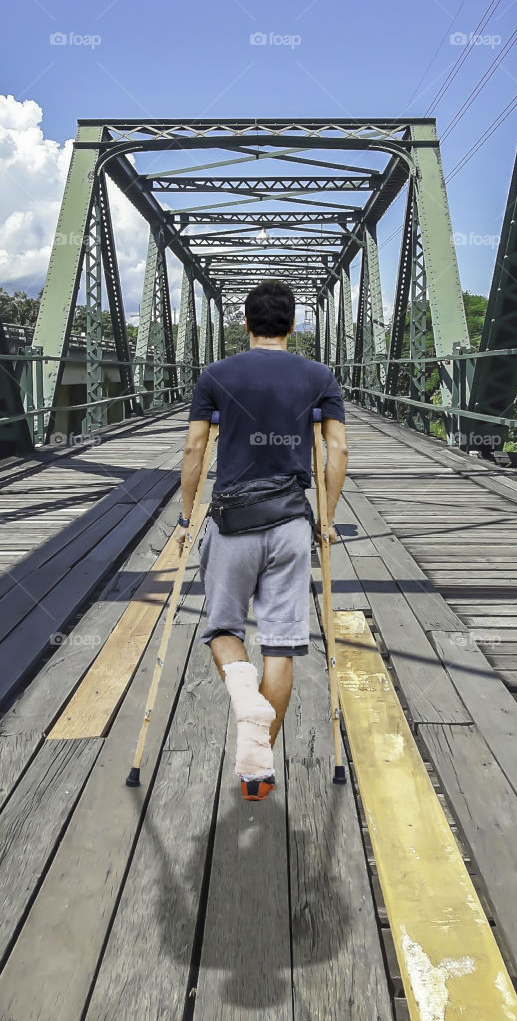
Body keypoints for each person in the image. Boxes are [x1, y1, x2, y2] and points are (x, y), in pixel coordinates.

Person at [175, 279, 348, 801]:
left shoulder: (215, 376)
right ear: (294, 325)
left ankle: (242, 695)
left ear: (246, 324)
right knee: (280, 647)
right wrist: (327, 519)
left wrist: (186, 520)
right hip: (293, 524)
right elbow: (335, 450)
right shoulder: (319, 376)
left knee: (224, 629)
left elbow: (193, 449)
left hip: (232, 524)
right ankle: (257, 767)